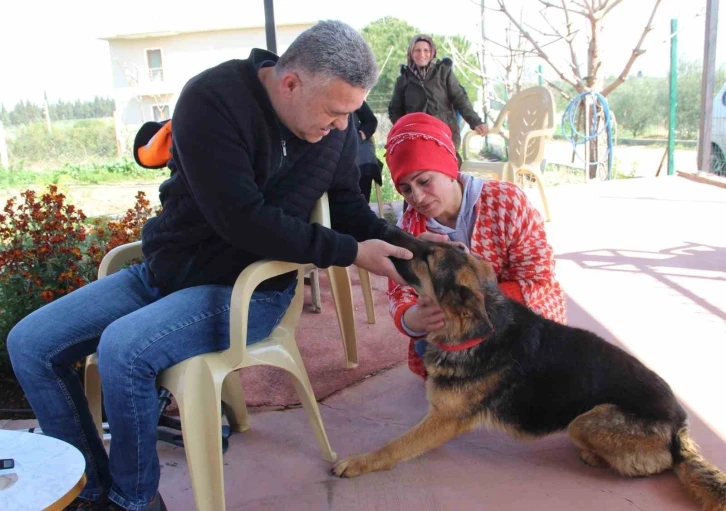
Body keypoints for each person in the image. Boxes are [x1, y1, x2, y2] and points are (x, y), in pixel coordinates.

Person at [7, 21, 412, 511]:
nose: (344, 126)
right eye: (335, 111)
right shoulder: (213, 99)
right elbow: (240, 219)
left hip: (247, 291)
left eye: (350, 113)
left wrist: (413, 248)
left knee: (124, 350)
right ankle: (89, 489)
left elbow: (349, 207)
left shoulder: (333, 129)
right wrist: (348, 253)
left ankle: (130, 501)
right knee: (30, 343)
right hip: (165, 272)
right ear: (290, 84)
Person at [384, 113, 567, 379]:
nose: (418, 197)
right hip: (455, 325)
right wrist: (414, 318)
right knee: (434, 353)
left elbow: (538, 276)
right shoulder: (411, 227)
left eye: (424, 181)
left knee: (532, 361)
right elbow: (400, 292)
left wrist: (471, 305)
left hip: (518, 314)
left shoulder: (507, 202)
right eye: (406, 189)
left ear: (449, 168)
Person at [388, 35, 488, 157]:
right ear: (411, 53)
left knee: (446, 169)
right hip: (416, 137)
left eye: (426, 50)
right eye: (417, 50)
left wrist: (476, 121)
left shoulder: (443, 72)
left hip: (444, 133)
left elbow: (460, 98)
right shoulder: (403, 80)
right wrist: (405, 130)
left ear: (432, 52)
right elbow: (395, 110)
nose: (422, 54)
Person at [353, 100, 383, 204]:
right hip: (333, 144)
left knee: (366, 156)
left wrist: (360, 135)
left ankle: (362, 205)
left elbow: (370, 121)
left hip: (359, 144)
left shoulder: (352, 94)